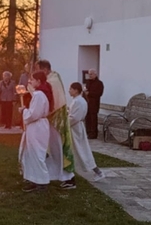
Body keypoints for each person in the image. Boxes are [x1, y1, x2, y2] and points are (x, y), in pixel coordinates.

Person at [38, 59, 76, 189]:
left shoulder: (53, 80)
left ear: (45, 70)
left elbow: (51, 99)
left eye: (38, 70)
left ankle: (69, 177)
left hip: (57, 120)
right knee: (52, 149)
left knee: (59, 148)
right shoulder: (52, 77)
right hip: (51, 120)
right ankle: (54, 174)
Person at [20, 71, 53, 191]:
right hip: (38, 126)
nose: (30, 81)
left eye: (32, 79)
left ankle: (42, 181)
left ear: (38, 81)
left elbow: (34, 114)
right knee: (33, 153)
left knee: (37, 153)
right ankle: (34, 179)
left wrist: (23, 111)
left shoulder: (39, 94)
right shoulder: (41, 93)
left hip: (37, 126)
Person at [67, 82, 104, 180]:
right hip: (76, 128)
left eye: (70, 89)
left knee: (82, 151)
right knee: (78, 151)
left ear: (76, 90)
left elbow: (74, 117)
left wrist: (65, 122)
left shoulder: (78, 101)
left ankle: (97, 172)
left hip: (75, 129)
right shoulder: (78, 100)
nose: (69, 91)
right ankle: (68, 172)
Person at [83, 69, 105, 140]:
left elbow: (99, 93)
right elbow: (86, 91)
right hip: (87, 103)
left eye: (91, 74)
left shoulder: (99, 83)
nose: (90, 75)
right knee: (87, 118)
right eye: (89, 74)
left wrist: (90, 93)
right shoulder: (88, 82)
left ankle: (93, 134)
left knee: (93, 119)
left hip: (94, 104)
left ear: (95, 74)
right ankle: (88, 132)